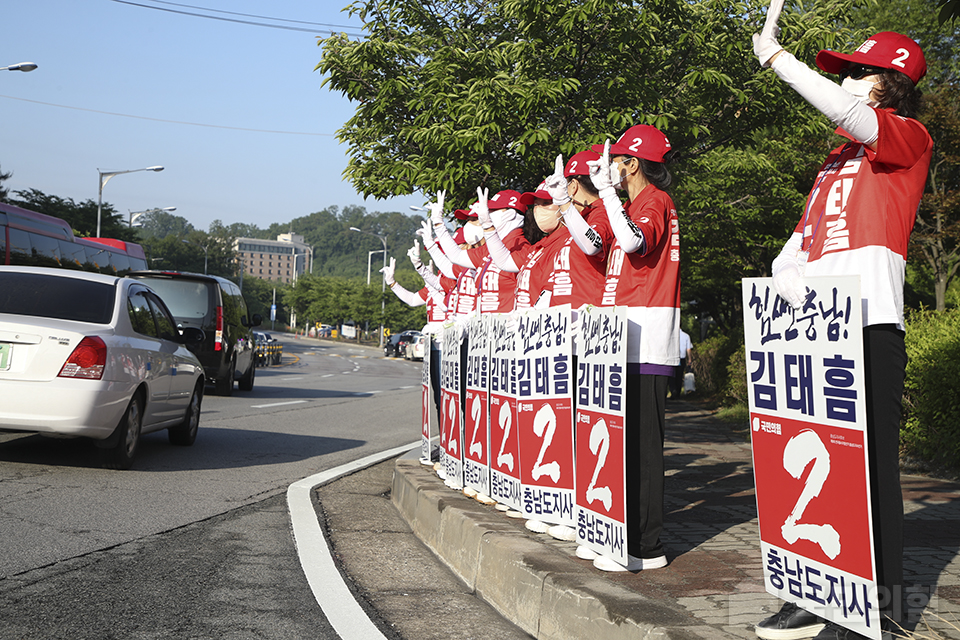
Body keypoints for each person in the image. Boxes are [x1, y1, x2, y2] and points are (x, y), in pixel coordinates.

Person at [751, 2, 932, 638]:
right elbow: (801, 240)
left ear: (892, 84)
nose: (850, 80)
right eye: (848, 71)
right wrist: (786, 276)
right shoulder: (834, 162)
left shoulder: (906, 138)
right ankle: (815, 590)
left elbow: (851, 113)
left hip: (869, 325)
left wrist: (778, 60)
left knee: (870, 469)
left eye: (861, 71)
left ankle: (876, 606)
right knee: (813, 461)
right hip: (810, 334)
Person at [584, 124, 682, 573]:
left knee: (643, 447)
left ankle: (646, 546)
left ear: (633, 164)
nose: (611, 172)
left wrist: (604, 196)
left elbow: (633, 242)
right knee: (625, 444)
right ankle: (621, 533)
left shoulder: (653, 202)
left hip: (647, 337)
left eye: (617, 163)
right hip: (624, 335)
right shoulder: (632, 204)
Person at [670, 329, 692, 398]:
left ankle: (673, 391)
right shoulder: (686, 336)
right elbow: (688, 349)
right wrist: (689, 359)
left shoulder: (671, 335)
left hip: (672, 358)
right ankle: (678, 393)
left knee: (672, 375)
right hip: (682, 358)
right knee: (679, 375)